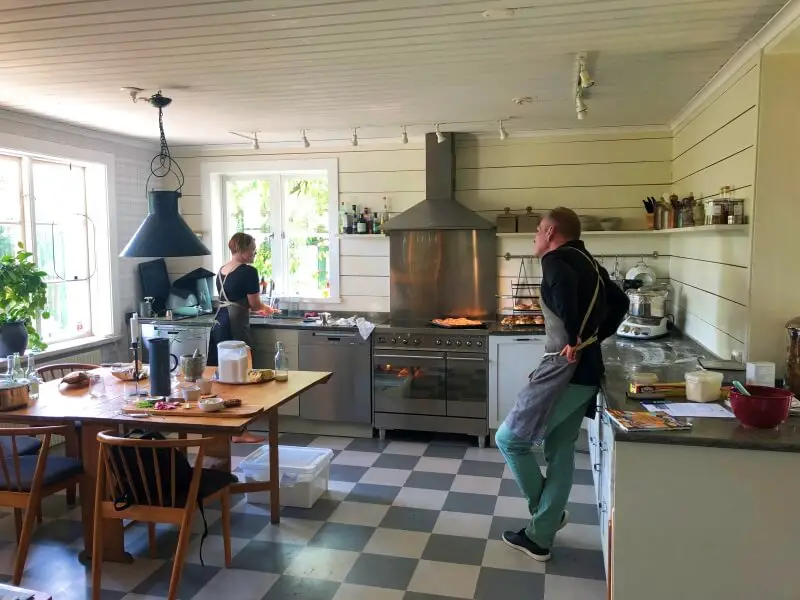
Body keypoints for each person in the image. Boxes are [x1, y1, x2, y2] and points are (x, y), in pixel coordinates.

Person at [495, 207, 629, 562]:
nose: (536, 237)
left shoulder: (555, 261)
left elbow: (565, 292)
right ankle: (540, 535)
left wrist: (576, 336)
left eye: (538, 230)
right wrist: (593, 339)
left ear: (552, 231)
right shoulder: (590, 262)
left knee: (509, 440)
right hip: (587, 372)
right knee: (560, 447)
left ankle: (546, 519)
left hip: (565, 369)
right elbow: (622, 302)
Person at [208, 232, 278, 444]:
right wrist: (268, 309)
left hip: (219, 323)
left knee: (222, 378)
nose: (255, 254)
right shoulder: (248, 272)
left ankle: (222, 428)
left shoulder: (222, 270)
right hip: (235, 326)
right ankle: (240, 432)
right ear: (242, 249)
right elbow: (255, 304)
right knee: (241, 377)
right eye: (253, 250)